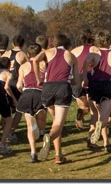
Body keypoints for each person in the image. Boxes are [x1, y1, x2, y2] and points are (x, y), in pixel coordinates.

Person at [32, 34, 80, 164]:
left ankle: (59, 155)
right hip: (63, 87)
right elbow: (77, 80)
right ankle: (49, 137)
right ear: (68, 44)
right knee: (58, 124)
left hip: (48, 88)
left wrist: (38, 79)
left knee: (54, 122)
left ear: (54, 43)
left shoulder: (48, 52)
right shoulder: (71, 56)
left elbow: (35, 60)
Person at [16, 44, 47, 162]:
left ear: (28, 55)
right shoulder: (44, 65)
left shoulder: (23, 66)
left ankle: (33, 153)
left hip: (27, 94)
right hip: (40, 94)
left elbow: (19, 85)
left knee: (29, 126)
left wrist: (22, 90)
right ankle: (39, 128)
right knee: (42, 122)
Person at [0, 35, 28, 144]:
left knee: (8, 108)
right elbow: (28, 68)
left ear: (12, 43)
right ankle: (11, 131)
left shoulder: (5, 54)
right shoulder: (23, 55)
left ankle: (4, 128)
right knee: (20, 109)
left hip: (4, 81)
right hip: (15, 83)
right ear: (23, 44)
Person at [70, 29, 95, 130]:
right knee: (92, 107)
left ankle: (81, 115)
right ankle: (93, 128)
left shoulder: (74, 51)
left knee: (83, 107)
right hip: (91, 77)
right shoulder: (95, 49)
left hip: (77, 79)